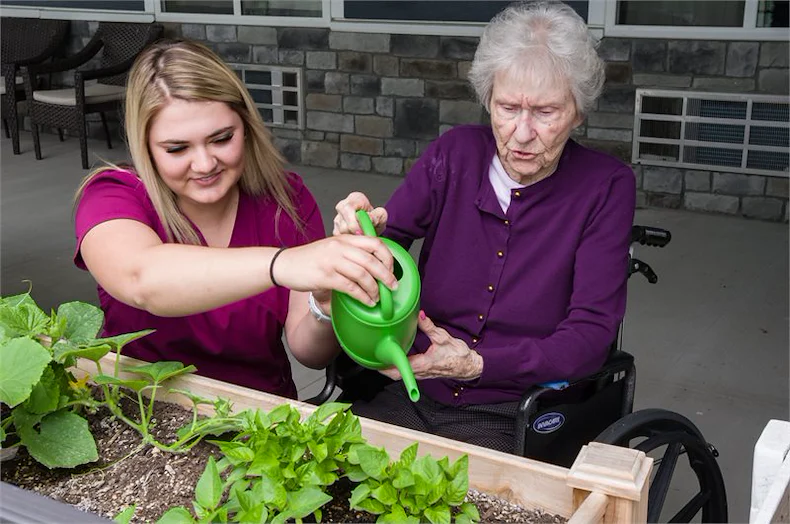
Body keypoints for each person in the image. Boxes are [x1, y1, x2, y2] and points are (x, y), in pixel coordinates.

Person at [332, 0, 636, 453]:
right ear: (488, 101)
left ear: (578, 112)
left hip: (517, 409)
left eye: (546, 112)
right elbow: (384, 249)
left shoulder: (606, 186)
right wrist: (361, 241)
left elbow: (590, 335)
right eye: (508, 107)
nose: (522, 132)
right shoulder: (453, 155)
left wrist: (477, 364)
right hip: (416, 384)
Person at [73, 39, 397, 399]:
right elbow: (141, 278)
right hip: (147, 410)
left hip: (258, 418)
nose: (205, 164)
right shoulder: (113, 194)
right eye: (177, 148)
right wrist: (286, 263)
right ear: (145, 146)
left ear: (246, 126)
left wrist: (325, 300)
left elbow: (310, 353)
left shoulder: (284, 200)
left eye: (222, 138)